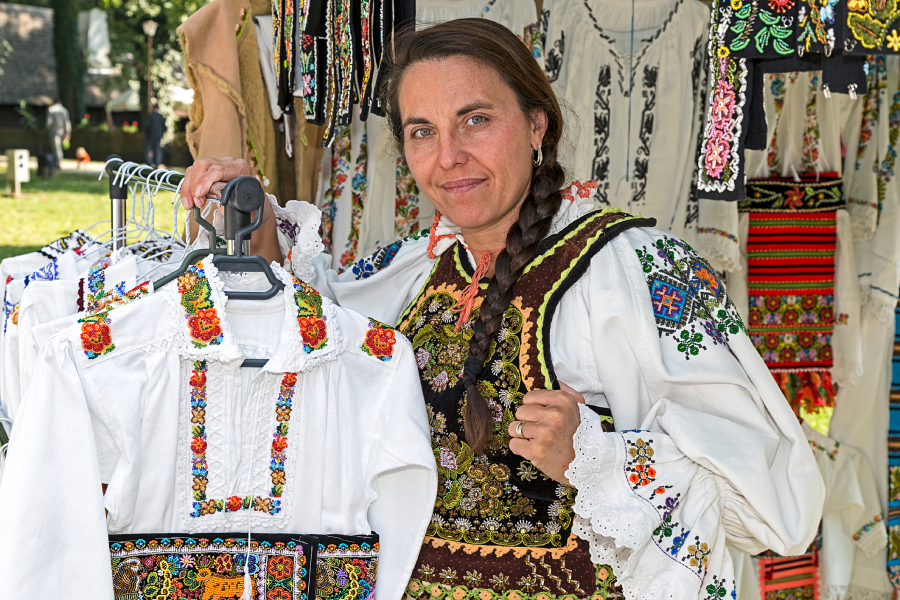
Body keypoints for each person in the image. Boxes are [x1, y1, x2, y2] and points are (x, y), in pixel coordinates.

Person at [180, 19, 824, 600]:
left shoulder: (637, 271)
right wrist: (259, 230)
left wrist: (598, 455)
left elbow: (776, 506)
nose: (449, 156)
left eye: (476, 119)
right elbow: (306, 346)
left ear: (537, 123)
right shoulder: (409, 272)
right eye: (422, 131)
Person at [45, 99, 70, 169]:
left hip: (54, 131)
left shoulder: (51, 109)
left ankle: (58, 164)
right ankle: (58, 162)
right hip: (62, 132)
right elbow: (67, 123)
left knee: (56, 148)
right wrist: (68, 133)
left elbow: (49, 123)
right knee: (59, 147)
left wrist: (48, 130)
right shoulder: (64, 110)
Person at [144, 103, 166, 168]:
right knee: (158, 151)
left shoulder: (151, 116)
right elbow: (164, 127)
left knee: (148, 150)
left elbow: (147, 126)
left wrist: (148, 133)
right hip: (158, 136)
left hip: (151, 136)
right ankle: (157, 164)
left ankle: (149, 163)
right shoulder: (161, 117)